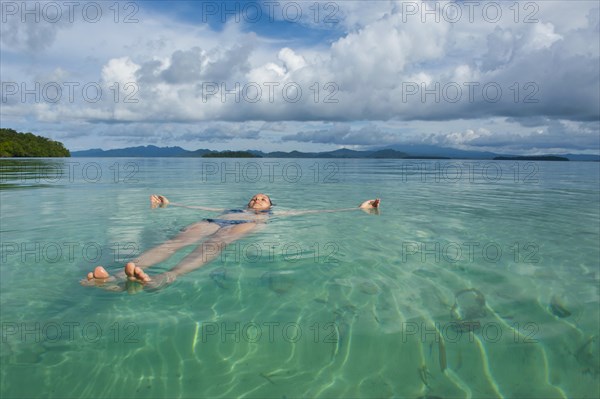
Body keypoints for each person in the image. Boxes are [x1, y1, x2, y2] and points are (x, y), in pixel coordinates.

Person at [82, 193, 380, 291]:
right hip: (219, 220)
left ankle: (164, 278)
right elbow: (193, 208)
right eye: (254, 196)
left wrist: (360, 208)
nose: (257, 198)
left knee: (215, 243)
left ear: (270, 205)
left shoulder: (272, 213)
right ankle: (120, 275)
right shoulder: (233, 208)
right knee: (175, 242)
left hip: (239, 228)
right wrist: (166, 203)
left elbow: (317, 211)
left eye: (262, 198)